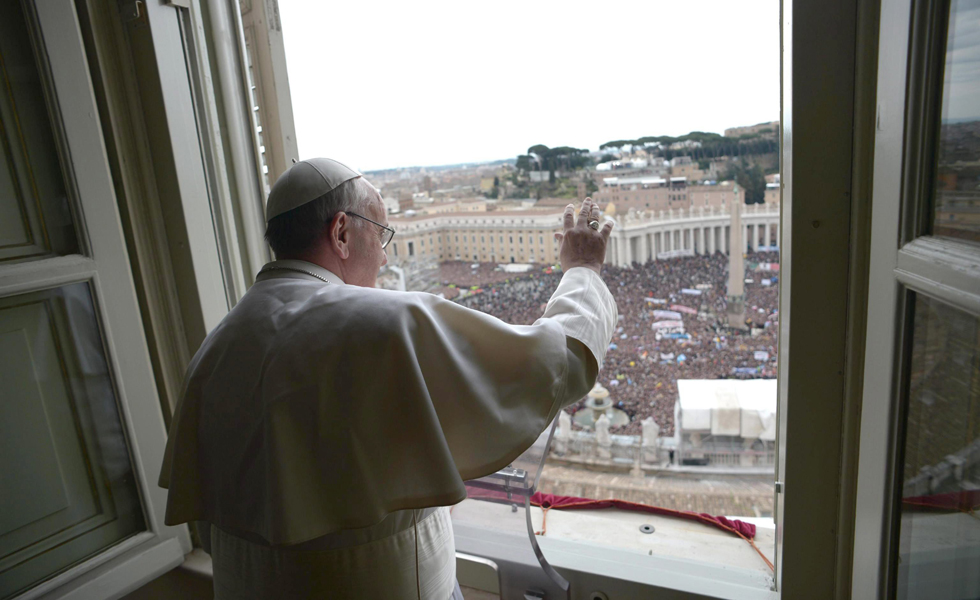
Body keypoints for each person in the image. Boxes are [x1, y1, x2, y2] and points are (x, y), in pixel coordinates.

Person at [159, 158, 618, 599]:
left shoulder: (215, 345)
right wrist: (583, 270)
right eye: (380, 235)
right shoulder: (386, 322)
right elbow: (559, 364)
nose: (382, 257)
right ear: (340, 231)